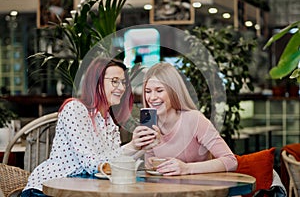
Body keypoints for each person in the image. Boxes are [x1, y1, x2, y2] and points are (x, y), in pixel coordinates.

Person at [21, 57, 158, 196]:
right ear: (96, 83)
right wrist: (132, 145)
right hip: (46, 190)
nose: (122, 88)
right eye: (114, 81)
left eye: (123, 83)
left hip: (81, 191)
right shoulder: (75, 109)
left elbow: (113, 165)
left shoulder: (109, 121)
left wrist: (142, 147)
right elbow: (92, 165)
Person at [143, 62, 238, 176]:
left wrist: (187, 168)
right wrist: (151, 163)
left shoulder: (194, 119)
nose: (152, 97)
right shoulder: (149, 125)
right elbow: (149, 168)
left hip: (202, 190)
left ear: (173, 91)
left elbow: (231, 161)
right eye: (148, 91)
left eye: (159, 90)